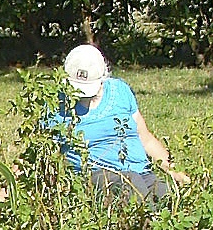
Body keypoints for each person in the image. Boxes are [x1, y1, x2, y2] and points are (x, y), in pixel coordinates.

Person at [53, 43, 188, 201]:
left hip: (142, 172)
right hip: (99, 176)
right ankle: (146, 222)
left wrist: (173, 169)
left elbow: (145, 138)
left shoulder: (120, 91)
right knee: (132, 187)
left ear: (103, 78)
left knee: (168, 197)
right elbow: (35, 151)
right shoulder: (55, 105)